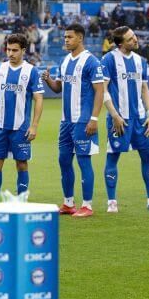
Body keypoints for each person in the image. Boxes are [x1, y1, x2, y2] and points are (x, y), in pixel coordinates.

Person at [100, 27, 149, 213]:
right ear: (121, 44)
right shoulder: (109, 60)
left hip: (140, 119)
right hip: (119, 119)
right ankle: (112, 202)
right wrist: (114, 115)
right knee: (113, 156)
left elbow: (144, 89)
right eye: (130, 39)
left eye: (134, 36)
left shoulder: (141, 61)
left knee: (148, 156)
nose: (135, 40)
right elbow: (103, 90)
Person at [42, 23, 105, 218]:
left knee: (83, 161)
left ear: (80, 38)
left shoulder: (91, 62)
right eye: (65, 37)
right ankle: (68, 203)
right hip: (66, 121)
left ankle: (87, 205)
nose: (66, 40)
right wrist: (48, 79)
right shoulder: (65, 61)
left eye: (69, 37)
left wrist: (93, 118)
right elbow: (58, 88)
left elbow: (100, 91)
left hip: (83, 121)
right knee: (64, 160)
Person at [0, 34, 44, 202]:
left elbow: (39, 99)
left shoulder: (31, 71)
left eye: (15, 50)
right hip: (1, 127)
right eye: (8, 49)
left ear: (23, 50)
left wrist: (34, 125)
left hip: (21, 128)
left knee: (21, 164)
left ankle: (22, 202)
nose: (10, 53)